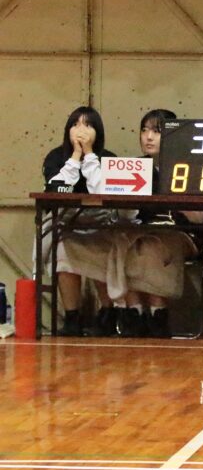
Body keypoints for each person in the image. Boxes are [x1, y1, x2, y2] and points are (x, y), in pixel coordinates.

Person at [122, 108, 203, 338]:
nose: (148, 137)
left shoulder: (191, 169)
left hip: (182, 235)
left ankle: (158, 312)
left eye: (157, 131)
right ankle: (134, 311)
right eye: (144, 130)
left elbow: (201, 217)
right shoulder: (133, 168)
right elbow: (123, 213)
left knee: (155, 243)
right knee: (122, 241)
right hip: (139, 231)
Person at [41, 106, 118, 336]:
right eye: (75, 125)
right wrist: (75, 157)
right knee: (62, 249)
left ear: (98, 132)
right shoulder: (55, 157)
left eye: (87, 125)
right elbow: (56, 189)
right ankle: (72, 317)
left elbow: (103, 192)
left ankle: (108, 314)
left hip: (102, 221)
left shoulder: (109, 159)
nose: (80, 130)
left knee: (106, 246)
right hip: (66, 221)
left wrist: (90, 155)